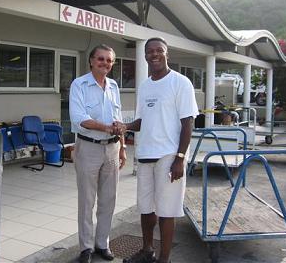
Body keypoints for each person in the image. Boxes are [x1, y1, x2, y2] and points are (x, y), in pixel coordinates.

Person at [118, 37, 198, 263]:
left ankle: (164, 259)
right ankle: (147, 251)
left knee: (167, 210)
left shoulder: (180, 83)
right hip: (145, 155)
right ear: (144, 56)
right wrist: (125, 127)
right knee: (145, 208)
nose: (154, 54)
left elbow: (187, 123)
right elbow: (142, 120)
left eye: (158, 50)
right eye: (149, 51)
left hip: (169, 155)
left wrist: (180, 158)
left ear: (166, 53)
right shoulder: (144, 86)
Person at [69, 44, 127, 263]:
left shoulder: (113, 86)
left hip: (112, 149)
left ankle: (102, 243)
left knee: (108, 200)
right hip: (88, 148)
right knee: (86, 201)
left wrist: (122, 147)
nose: (105, 63)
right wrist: (105, 128)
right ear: (91, 61)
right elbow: (79, 118)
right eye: (101, 59)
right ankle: (86, 248)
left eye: (109, 60)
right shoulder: (79, 85)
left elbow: (118, 118)